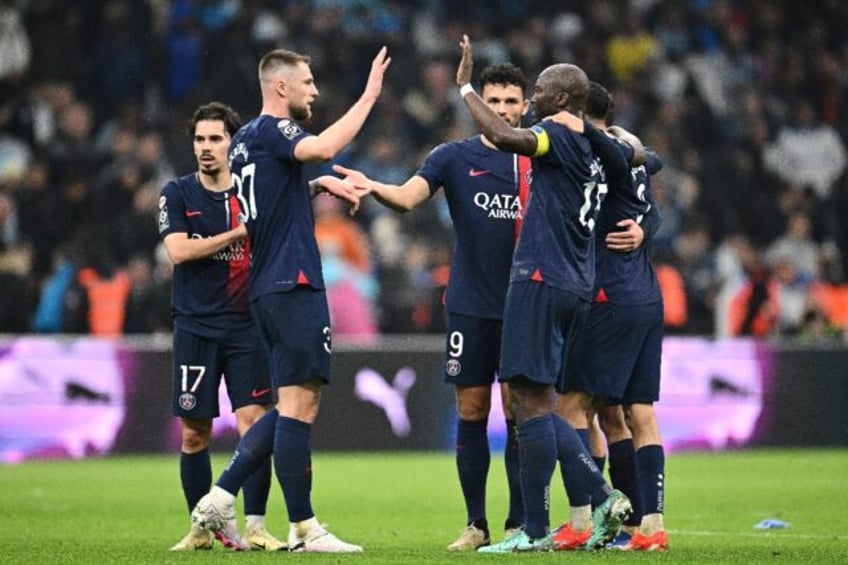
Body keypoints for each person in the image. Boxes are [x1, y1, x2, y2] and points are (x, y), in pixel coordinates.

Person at [190, 46, 391, 553]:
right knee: (299, 405)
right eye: (307, 81)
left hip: (266, 286)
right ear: (280, 87)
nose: (315, 90)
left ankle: (235, 499)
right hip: (293, 281)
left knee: (293, 404)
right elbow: (321, 146)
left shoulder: (243, 146)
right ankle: (281, 518)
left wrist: (313, 184)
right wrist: (369, 95)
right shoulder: (275, 131)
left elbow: (273, 198)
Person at [333, 63, 531, 551]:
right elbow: (406, 197)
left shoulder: (538, 160)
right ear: (476, 105)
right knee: (472, 407)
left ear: (526, 106)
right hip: (468, 303)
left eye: (511, 101)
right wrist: (375, 186)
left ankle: (519, 523)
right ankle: (475, 523)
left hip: (525, 303)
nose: (502, 110)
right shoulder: (452, 157)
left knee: (519, 411)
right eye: (494, 101)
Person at [454, 35, 632, 553]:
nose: (528, 101)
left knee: (529, 404)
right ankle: (553, 519)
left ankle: (574, 508)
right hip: (576, 283)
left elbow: (510, 139)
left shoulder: (557, 132)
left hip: (539, 279)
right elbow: (638, 158)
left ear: (557, 100)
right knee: (538, 401)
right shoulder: (604, 150)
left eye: (536, 93)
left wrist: (466, 88)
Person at [158, 102, 285, 552]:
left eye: (216, 138)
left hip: (248, 327)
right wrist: (238, 235)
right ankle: (201, 528)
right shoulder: (177, 193)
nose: (206, 148)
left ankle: (255, 525)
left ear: (233, 142)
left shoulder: (253, 193)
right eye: (199, 139)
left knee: (255, 423)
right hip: (195, 326)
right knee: (196, 432)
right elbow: (179, 253)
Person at [555, 81, 669, 551]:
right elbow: (653, 172)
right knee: (629, 410)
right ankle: (648, 526)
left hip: (607, 295)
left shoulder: (595, 156)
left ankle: (583, 521)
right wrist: (645, 227)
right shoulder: (632, 155)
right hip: (645, 295)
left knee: (569, 405)